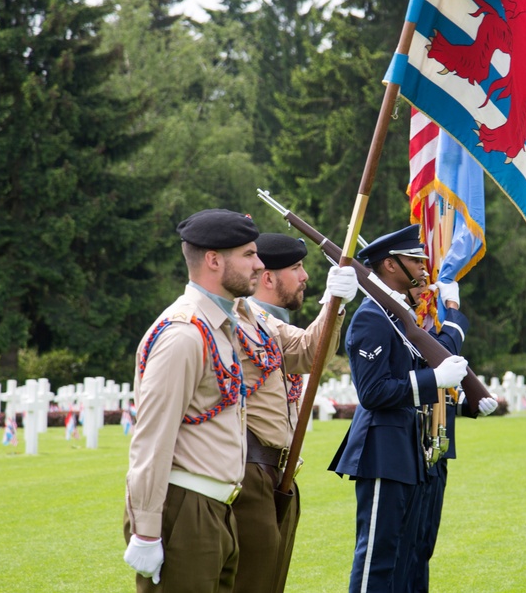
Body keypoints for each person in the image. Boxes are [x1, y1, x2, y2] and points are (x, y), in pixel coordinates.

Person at [123, 208, 261, 593]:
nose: (259, 264)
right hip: (186, 509)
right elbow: (152, 437)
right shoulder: (184, 334)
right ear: (214, 260)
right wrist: (147, 532)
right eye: (249, 254)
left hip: (216, 507)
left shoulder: (221, 326)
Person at [328, 224, 469, 593]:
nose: (424, 269)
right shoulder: (371, 316)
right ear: (390, 265)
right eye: (415, 260)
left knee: (411, 557)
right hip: (383, 451)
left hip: (412, 450)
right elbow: (373, 392)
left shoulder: (399, 315)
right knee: (379, 558)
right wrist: (432, 381)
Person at [232, 233, 357, 593]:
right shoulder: (229, 321)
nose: (305, 276)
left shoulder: (263, 323)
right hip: (250, 467)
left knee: (270, 581)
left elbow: (307, 352)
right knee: (249, 582)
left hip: (281, 470)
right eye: (296, 267)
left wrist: (335, 302)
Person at [409, 281, 499, 592]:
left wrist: (464, 404)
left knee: (423, 545)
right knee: (404, 549)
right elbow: (437, 358)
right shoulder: (406, 323)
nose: (423, 278)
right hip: (412, 447)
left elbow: (439, 389)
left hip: (438, 447)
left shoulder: (426, 325)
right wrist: (454, 312)